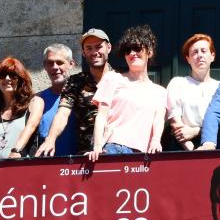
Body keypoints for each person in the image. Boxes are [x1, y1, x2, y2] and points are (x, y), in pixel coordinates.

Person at [88, 25, 167, 160]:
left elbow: (158, 120)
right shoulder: (112, 78)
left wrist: (155, 141)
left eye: (137, 48)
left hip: (143, 155)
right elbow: (101, 116)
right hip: (114, 147)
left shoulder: (160, 92)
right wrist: (97, 146)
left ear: (149, 52)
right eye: (127, 50)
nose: (132, 53)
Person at [35, 28, 114, 156]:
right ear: (83, 52)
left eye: (98, 47)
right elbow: (63, 113)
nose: (94, 52)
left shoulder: (122, 81)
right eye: (89, 48)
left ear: (108, 48)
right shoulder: (75, 82)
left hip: (118, 154)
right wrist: (50, 140)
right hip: (86, 157)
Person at [0, 57, 41, 159]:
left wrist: (16, 150)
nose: (7, 78)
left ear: (21, 79)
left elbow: (31, 126)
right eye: (2, 75)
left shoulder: (35, 102)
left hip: (24, 165)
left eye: (13, 75)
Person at [166, 33, 219, 151]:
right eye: (194, 52)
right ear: (188, 59)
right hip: (183, 146)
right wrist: (192, 150)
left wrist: (197, 131)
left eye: (203, 51)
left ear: (212, 56)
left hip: (213, 144)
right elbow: (174, 119)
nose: (199, 55)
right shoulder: (178, 84)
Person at [36, 44, 78, 156]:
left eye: (59, 62)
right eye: (50, 63)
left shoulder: (83, 98)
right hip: (47, 163)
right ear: (45, 66)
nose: (55, 67)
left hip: (80, 164)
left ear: (71, 64)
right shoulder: (38, 100)